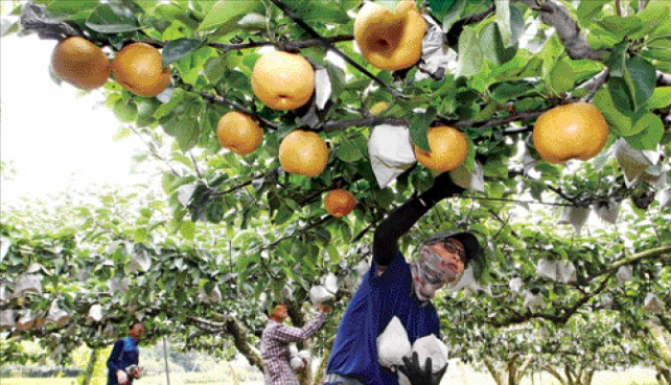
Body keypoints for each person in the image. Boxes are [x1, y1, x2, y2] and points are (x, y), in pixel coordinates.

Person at [323, 172, 483, 385]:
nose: (456, 256)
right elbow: (384, 236)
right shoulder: (395, 273)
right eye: (449, 247)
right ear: (425, 249)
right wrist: (432, 195)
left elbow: (426, 366)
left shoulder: (430, 317)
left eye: (462, 257)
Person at [261, 303, 330, 384]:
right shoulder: (275, 328)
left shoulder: (271, 330)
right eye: (280, 307)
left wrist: (298, 365)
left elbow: (279, 364)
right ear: (271, 313)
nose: (284, 308)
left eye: (284, 306)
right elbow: (302, 334)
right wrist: (322, 313)